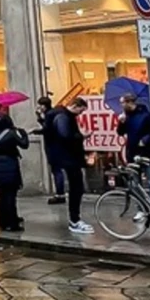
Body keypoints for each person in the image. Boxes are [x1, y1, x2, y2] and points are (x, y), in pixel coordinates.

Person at [51, 97, 94, 234]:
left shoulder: (64, 116)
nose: (80, 114)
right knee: (76, 188)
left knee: (77, 188)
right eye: (80, 111)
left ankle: (75, 219)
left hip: (70, 158)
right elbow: (66, 135)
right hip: (69, 158)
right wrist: (82, 136)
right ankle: (74, 220)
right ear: (75, 106)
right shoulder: (63, 117)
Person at [117, 92, 150, 217]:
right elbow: (120, 133)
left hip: (146, 153)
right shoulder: (126, 117)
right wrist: (121, 122)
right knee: (135, 183)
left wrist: (146, 139)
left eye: (123, 103)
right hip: (132, 152)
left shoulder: (146, 115)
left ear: (130, 102)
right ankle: (141, 209)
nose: (121, 105)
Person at [33, 96, 66, 205]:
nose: (38, 107)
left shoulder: (49, 114)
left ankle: (60, 194)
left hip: (52, 145)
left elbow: (47, 129)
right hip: (59, 145)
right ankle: (60, 193)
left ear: (44, 106)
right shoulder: (55, 113)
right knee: (57, 170)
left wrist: (36, 130)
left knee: (56, 170)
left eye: (39, 105)